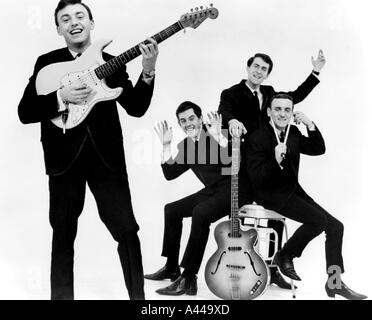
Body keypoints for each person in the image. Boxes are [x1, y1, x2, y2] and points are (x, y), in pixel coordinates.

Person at [18, 0, 158, 300]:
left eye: (80, 15)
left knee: (127, 232)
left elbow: (136, 107)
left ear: (92, 23)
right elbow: (25, 111)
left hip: (106, 161)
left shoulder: (112, 62)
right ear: (58, 29)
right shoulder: (46, 63)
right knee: (63, 234)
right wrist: (60, 96)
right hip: (62, 161)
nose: (73, 22)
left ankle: (139, 301)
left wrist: (147, 72)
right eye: (65, 18)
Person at [218, 51, 326, 289]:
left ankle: (273, 268)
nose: (259, 71)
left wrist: (315, 72)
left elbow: (294, 96)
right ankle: (234, 266)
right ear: (248, 67)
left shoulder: (269, 93)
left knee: (278, 211)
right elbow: (223, 111)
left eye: (264, 69)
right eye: (256, 66)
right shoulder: (231, 93)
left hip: (267, 160)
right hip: (239, 162)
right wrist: (231, 120)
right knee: (234, 215)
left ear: (267, 74)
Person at [246, 93, 367, 300]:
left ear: (292, 112)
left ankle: (334, 282)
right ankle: (285, 255)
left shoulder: (292, 132)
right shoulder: (257, 137)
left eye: (287, 110)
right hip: (269, 193)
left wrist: (310, 125)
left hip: (293, 190)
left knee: (336, 227)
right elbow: (256, 178)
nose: (282, 114)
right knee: (318, 221)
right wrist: (274, 160)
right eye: (277, 109)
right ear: (269, 112)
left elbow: (318, 149)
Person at [144, 101, 250, 296]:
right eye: (183, 121)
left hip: (235, 189)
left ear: (201, 119)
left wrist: (219, 137)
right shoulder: (186, 145)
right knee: (172, 209)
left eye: (192, 118)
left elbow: (235, 165)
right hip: (212, 190)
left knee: (200, 213)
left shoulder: (218, 134)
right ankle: (171, 267)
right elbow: (170, 174)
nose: (188, 123)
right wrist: (166, 146)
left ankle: (189, 277)